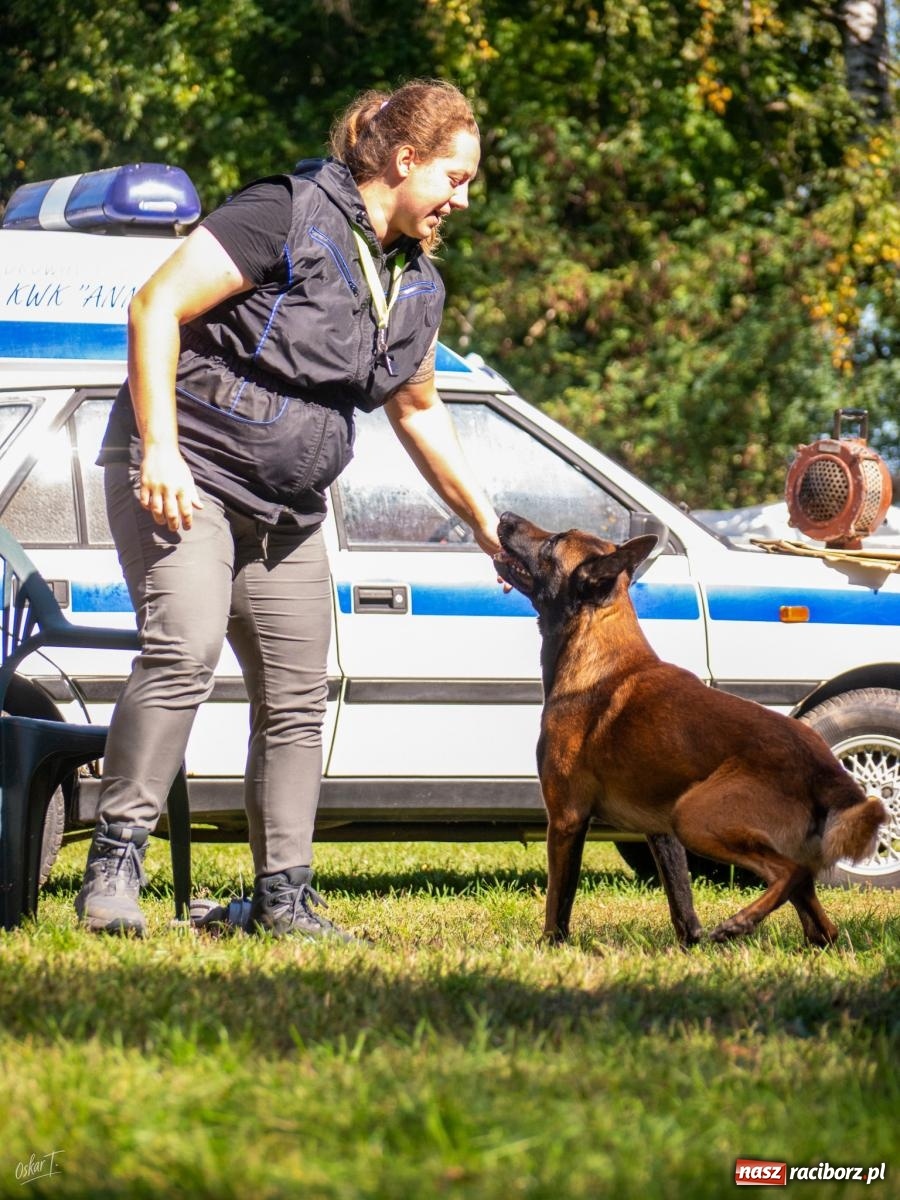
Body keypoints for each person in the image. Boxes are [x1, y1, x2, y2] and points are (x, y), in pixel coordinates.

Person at [75, 79, 501, 939]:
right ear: (404, 160)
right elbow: (154, 306)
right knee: (183, 652)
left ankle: (281, 898)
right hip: (186, 473)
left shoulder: (416, 286)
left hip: (287, 508)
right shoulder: (284, 213)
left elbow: (416, 409)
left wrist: (490, 529)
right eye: (453, 179)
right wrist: (159, 449)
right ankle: (114, 868)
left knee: (299, 697)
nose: (461, 199)